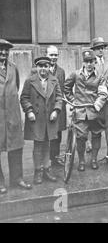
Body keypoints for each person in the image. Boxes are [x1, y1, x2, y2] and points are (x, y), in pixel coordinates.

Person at [20, 55, 62, 184]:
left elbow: (59, 98)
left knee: (47, 144)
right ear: (36, 67)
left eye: (46, 66)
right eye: (40, 66)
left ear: (49, 67)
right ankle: (38, 171)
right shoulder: (30, 81)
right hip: (36, 119)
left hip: (50, 119)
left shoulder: (54, 80)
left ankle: (46, 169)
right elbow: (24, 98)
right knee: (38, 145)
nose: (43, 69)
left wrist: (56, 110)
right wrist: (29, 111)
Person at [64, 50, 108, 171]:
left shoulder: (100, 76)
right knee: (81, 137)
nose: (89, 64)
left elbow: (103, 93)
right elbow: (66, 87)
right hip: (80, 111)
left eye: (91, 62)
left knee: (96, 135)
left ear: (95, 62)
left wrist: (97, 104)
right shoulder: (76, 74)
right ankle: (82, 160)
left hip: (95, 111)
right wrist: (73, 100)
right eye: (86, 62)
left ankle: (94, 159)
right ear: (83, 63)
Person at [0, 39, 32, 194]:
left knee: (16, 148)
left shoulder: (13, 68)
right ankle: (0, 182)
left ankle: (17, 178)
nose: (4, 53)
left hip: (13, 114)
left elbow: (16, 87)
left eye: (6, 50)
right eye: (1, 50)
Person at [88, 37, 108, 151]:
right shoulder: (90, 63)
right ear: (93, 50)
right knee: (94, 126)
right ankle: (92, 148)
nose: (100, 51)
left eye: (102, 48)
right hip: (95, 99)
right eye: (98, 48)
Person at [46, 45, 67, 167]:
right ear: (46, 55)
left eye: (55, 55)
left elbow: (63, 89)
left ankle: (55, 158)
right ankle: (45, 161)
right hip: (45, 107)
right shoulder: (39, 69)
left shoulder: (61, 71)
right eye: (51, 55)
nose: (53, 57)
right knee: (45, 135)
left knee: (57, 134)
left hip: (58, 107)